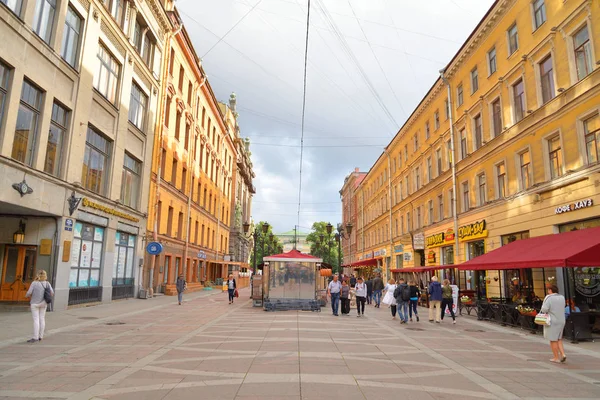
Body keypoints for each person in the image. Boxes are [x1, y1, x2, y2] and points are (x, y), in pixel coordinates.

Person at [25, 270, 53, 343]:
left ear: (37, 275)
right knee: (42, 319)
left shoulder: (34, 283)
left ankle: (35, 337)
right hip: (43, 303)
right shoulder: (47, 283)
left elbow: (29, 293)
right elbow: (52, 293)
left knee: (36, 320)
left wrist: (26, 296)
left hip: (34, 303)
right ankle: (41, 336)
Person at [540, 285, 566, 363]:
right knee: (559, 339)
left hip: (552, 321)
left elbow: (544, 309)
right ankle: (563, 354)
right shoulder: (562, 297)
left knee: (553, 339)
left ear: (550, 290)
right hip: (561, 320)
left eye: (548, 290)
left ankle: (556, 357)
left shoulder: (549, 298)